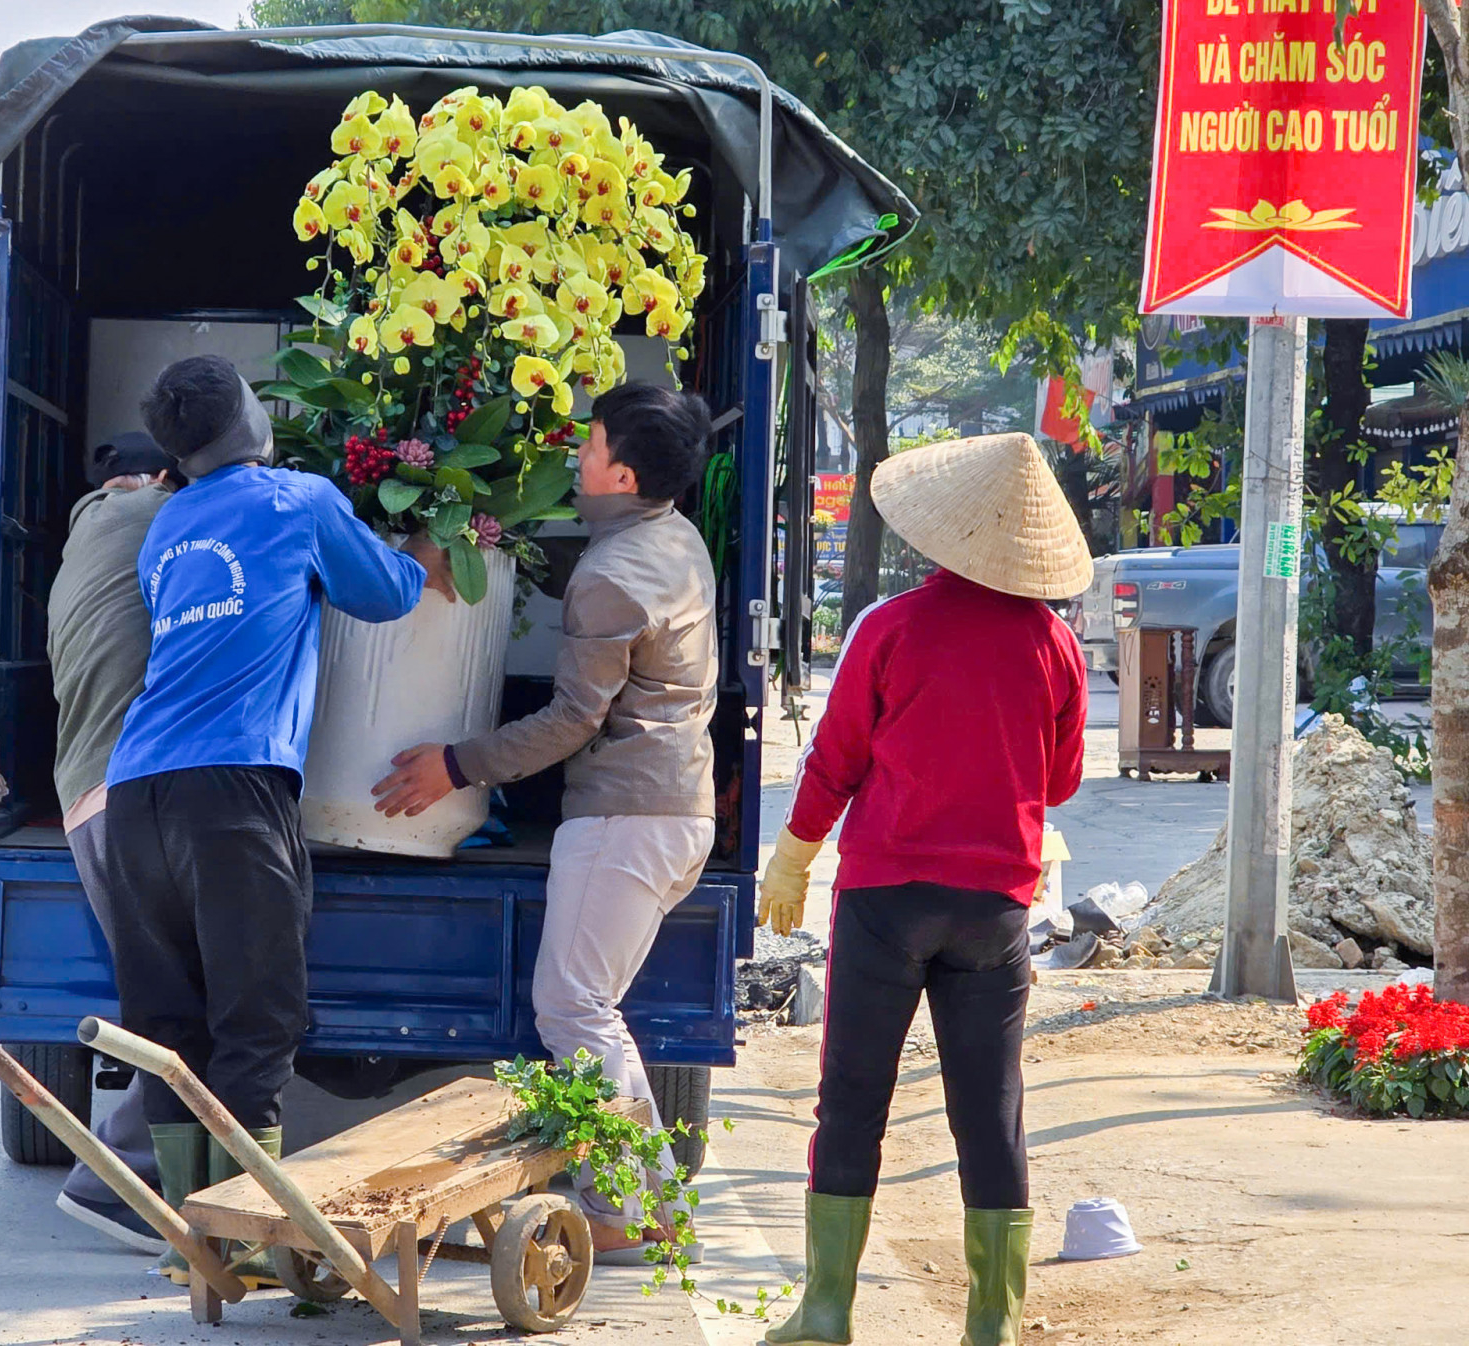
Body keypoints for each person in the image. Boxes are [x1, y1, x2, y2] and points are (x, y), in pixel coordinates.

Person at [96, 354, 453, 1285]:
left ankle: (197, 1240)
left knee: (172, 1028)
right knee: (258, 1017)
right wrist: (424, 557)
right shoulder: (298, 499)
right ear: (250, 422)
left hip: (136, 791)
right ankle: (248, 1239)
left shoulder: (167, 525)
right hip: (234, 788)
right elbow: (383, 594)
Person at [755, 433, 1090, 1346]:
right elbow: (1060, 781)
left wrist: (794, 854)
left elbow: (835, 760)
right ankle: (995, 1324)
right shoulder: (1055, 642)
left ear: (937, 534)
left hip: (885, 897)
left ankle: (826, 1310)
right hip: (996, 911)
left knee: (853, 1100)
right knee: (991, 1112)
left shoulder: (890, 627)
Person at [370, 382, 717, 1259]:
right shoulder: (672, 537)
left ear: (622, 471)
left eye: (590, 444)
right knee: (590, 1008)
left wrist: (454, 764)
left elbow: (573, 719)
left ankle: (624, 1206)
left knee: (573, 1008)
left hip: (627, 818)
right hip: (674, 810)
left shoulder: (611, 574)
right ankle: (647, 1201)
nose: (577, 455)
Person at [44, 429, 176, 1252]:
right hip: (121, 791)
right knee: (177, 1008)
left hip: (86, 791)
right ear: (160, 476)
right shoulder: (159, 514)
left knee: (172, 999)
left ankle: (141, 1174)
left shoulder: (88, 529)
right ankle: (110, 1183)